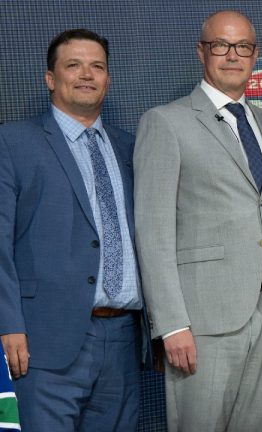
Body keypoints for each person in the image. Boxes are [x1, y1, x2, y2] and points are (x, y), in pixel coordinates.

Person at [133, 10, 262, 431]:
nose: (232, 55)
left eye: (243, 47)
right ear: (201, 51)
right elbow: (153, 232)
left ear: (255, 55)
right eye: (221, 44)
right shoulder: (166, 122)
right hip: (201, 320)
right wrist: (171, 324)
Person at [0, 28, 151, 430]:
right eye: (74, 65)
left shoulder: (130, 147)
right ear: (50, 78)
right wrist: (8, 324)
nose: (87, 74)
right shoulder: (13, 142)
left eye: (97, 67)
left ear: (108, 80)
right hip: (45, 340)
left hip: (123, 339)